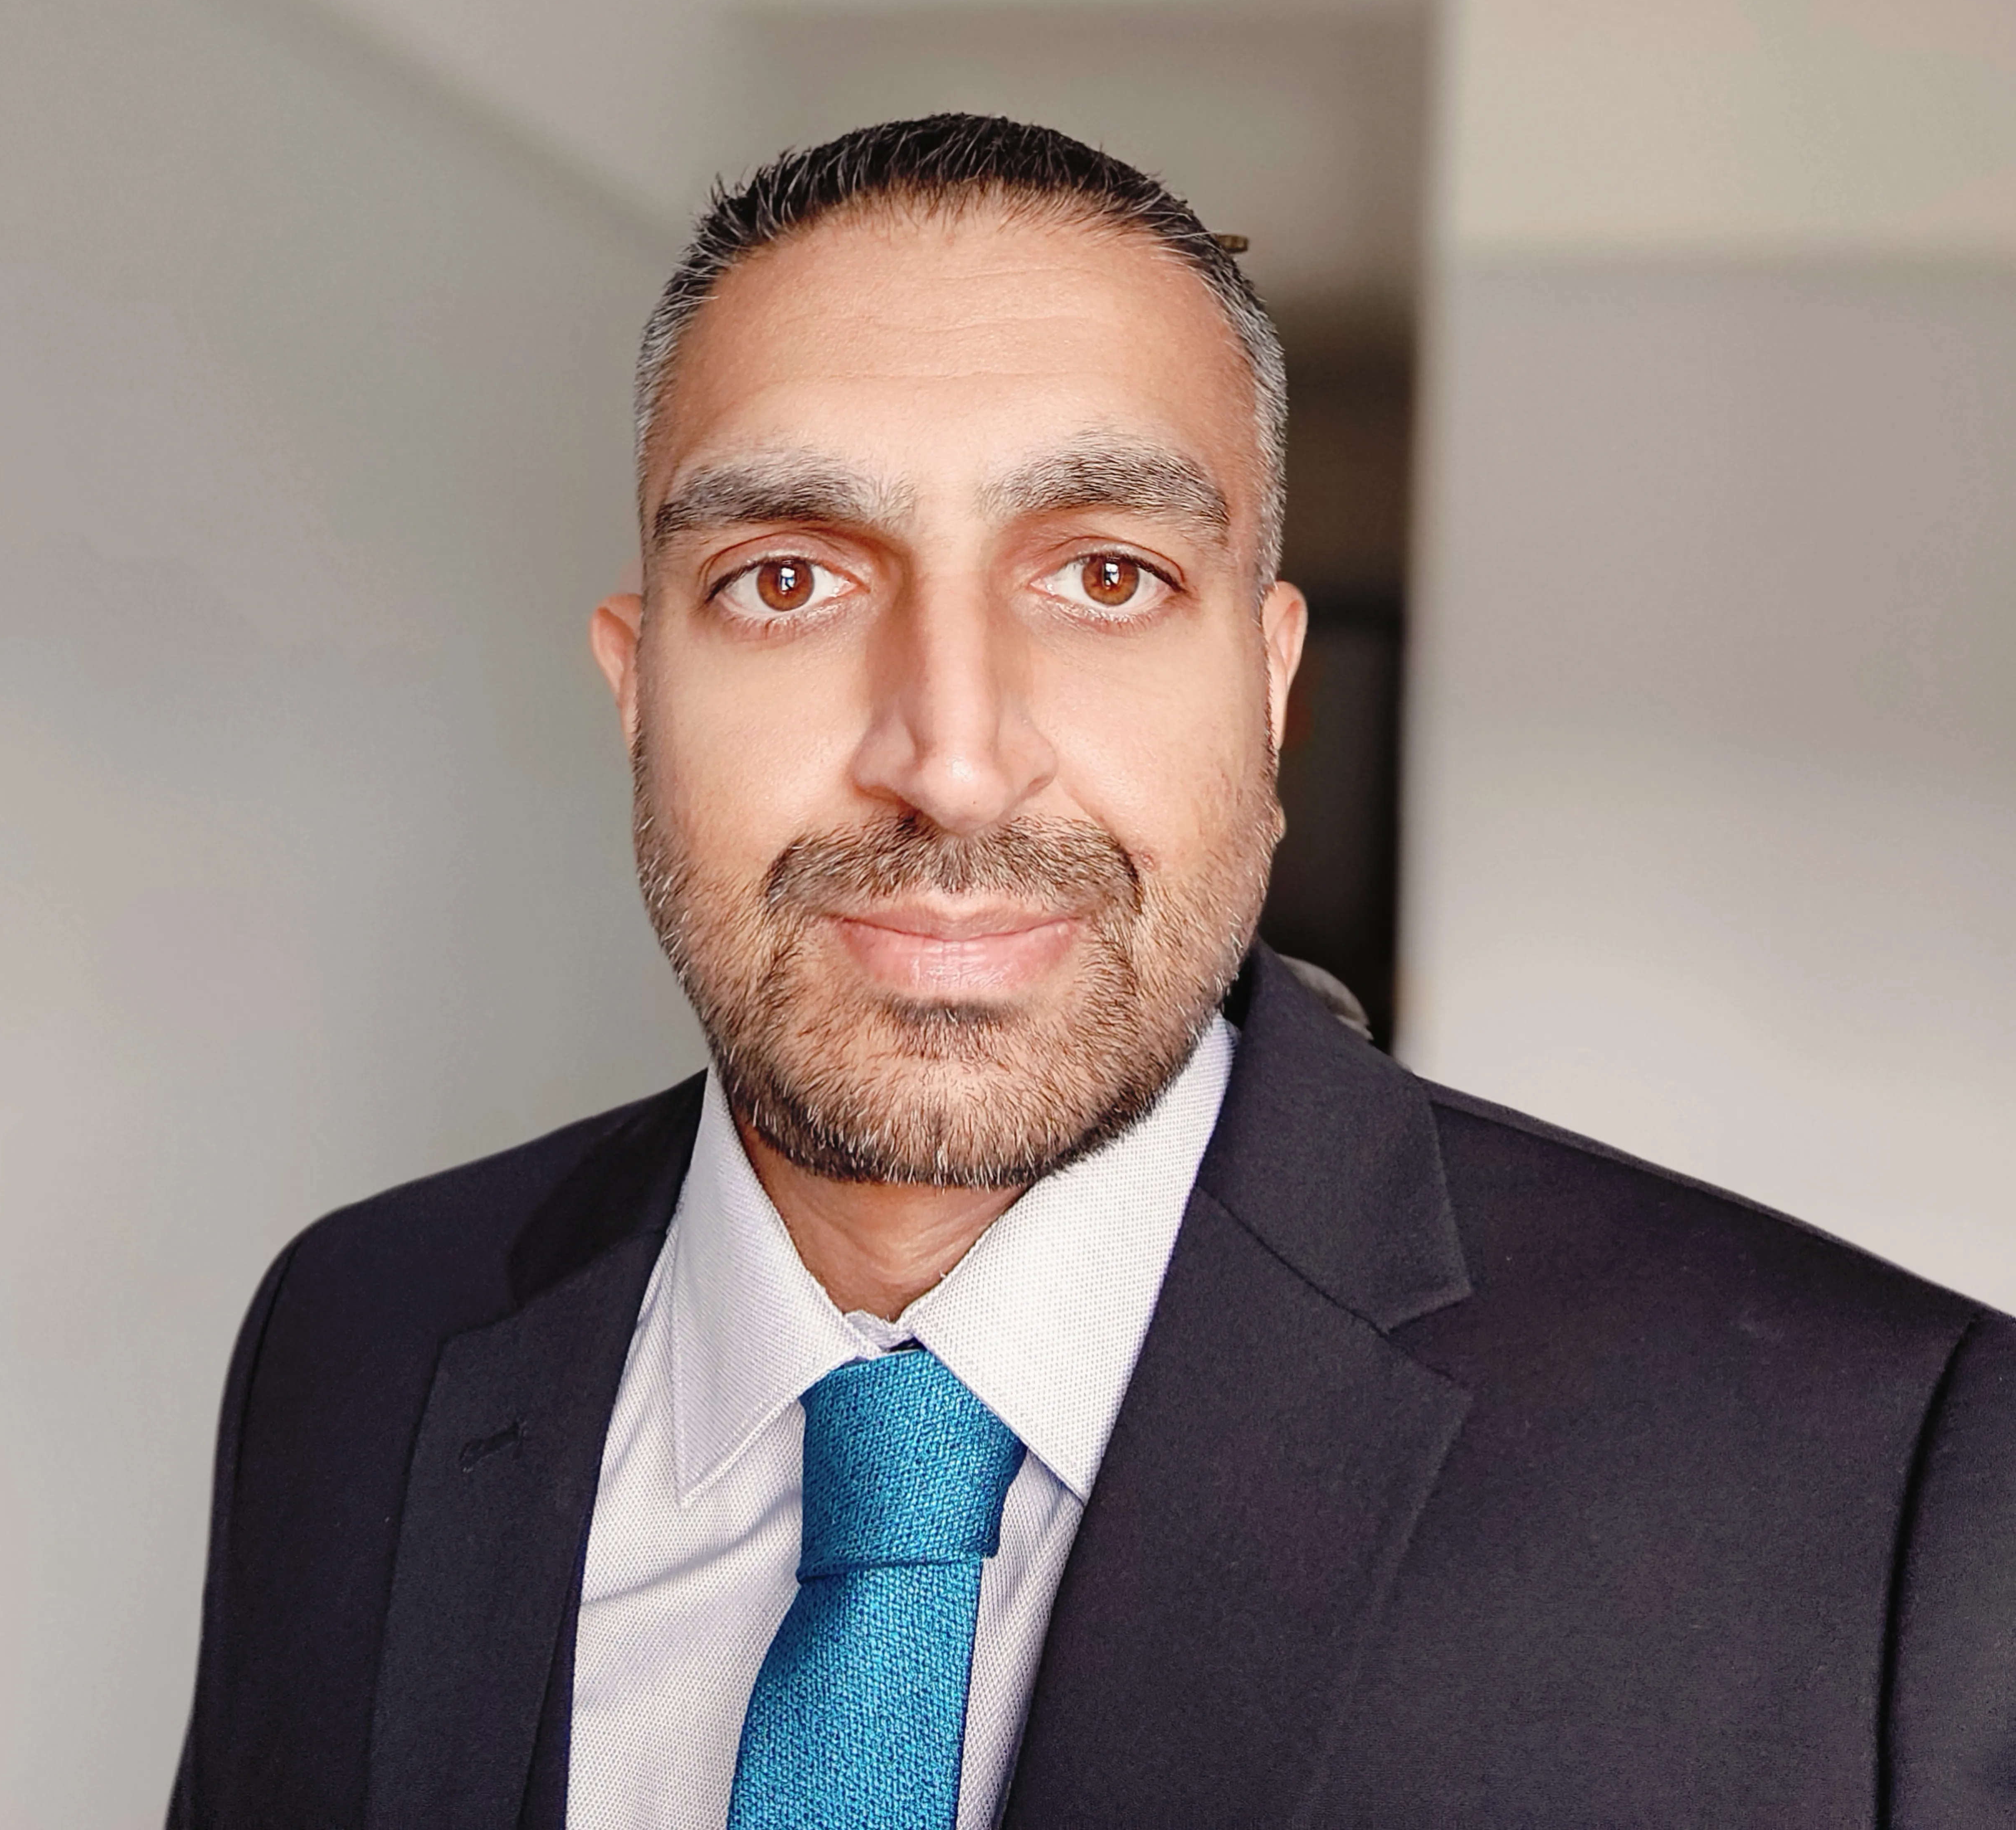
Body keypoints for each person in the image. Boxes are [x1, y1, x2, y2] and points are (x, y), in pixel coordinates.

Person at [170, 114, 2014, 1830]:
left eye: (1108, 574)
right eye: (790, 579)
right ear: (639, 685)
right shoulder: (357, 1333)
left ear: (1269, 689)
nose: (951, 757)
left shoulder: (1889, 1484)